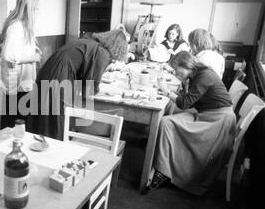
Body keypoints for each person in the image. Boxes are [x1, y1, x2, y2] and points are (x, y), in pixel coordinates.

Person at [145, 51, 236, 196]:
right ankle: (163, 169)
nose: (175, 73)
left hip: (218, 121)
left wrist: (167, 91)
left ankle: (165, 169)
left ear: (186, 65)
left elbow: (185, 103)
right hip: (207, 114)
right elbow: (188, 99)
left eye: (176, 69)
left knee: (168, 120)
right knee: (167, 122)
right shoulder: (196, 75)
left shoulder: (204, 76)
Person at [28, 29, 129, 140]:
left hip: (48, 70)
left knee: (42, 115)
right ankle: (55, 147)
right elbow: (89, 89)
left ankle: (38, 146)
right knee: (56, 117)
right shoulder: (102, 52)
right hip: (59, 76)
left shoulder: (88, 42)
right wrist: (104, 92)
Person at [0, 0, 42, 129]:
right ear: (27, 9)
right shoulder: (16, 26)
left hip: (22, 82)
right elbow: (10, 56)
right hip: (15, 83)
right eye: (35, 9)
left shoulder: (24, 26)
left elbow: (20, 49)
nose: (37, 13)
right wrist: (33, 58)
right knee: (13, 122)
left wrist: (34, 50)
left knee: (19, 120)